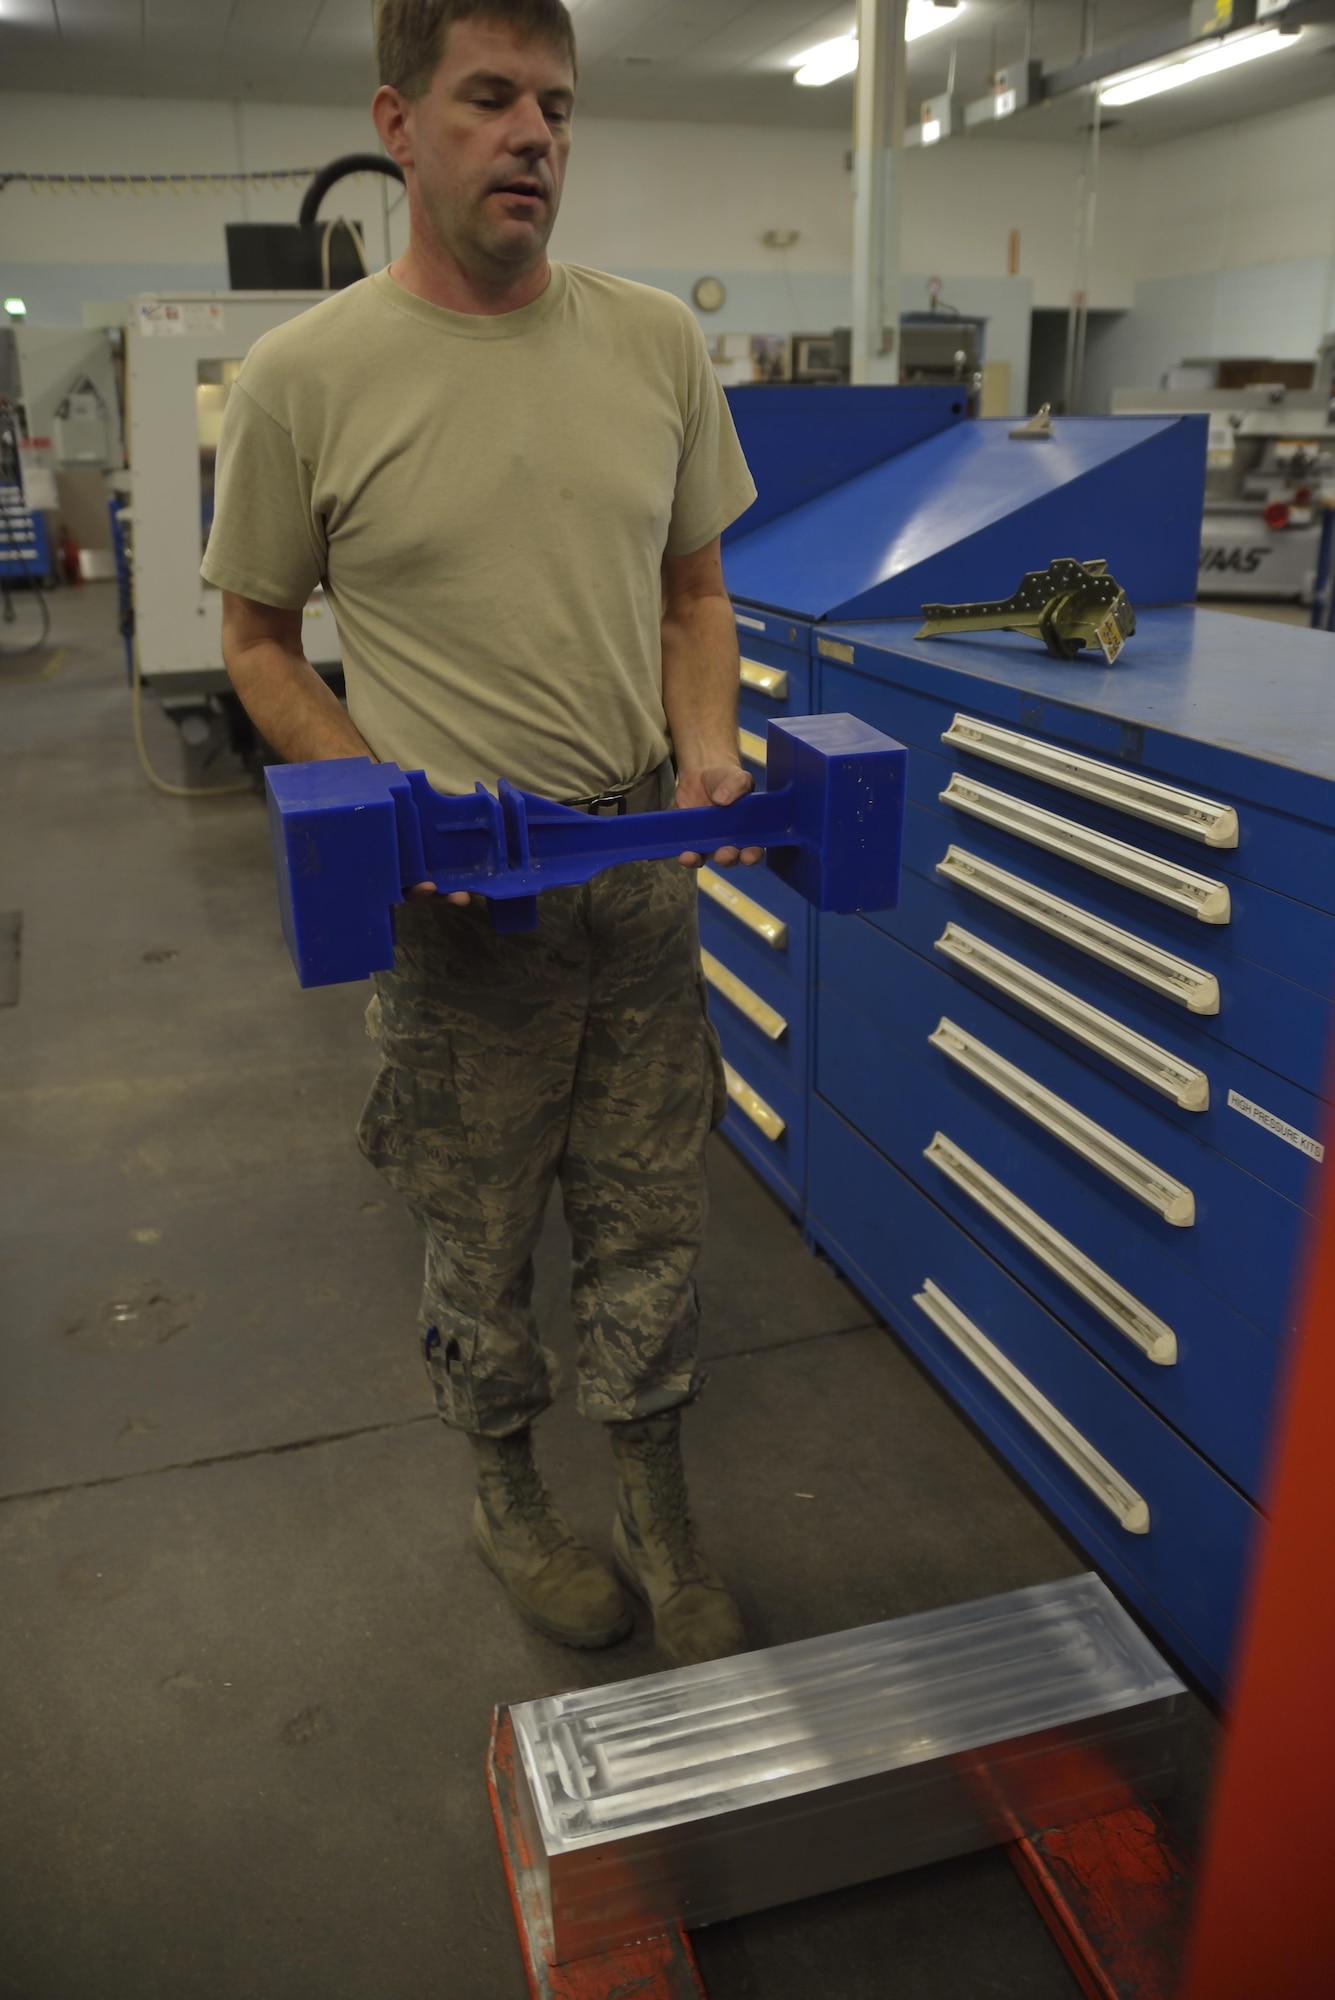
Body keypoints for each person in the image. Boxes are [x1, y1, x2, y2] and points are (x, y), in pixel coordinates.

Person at [203, 0, 761, 1668]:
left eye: (560, 108)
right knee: (480, 1228)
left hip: (635, 882)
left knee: (656, 1217)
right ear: (399, 119)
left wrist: (711, 743)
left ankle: (660, 1504)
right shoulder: (309, 377)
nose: (535, 136)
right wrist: (379, 795)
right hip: (460, 911)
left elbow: (696, 592)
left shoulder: (656, 340)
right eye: (492, 99)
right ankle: (509, 1487)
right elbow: (253, 642)